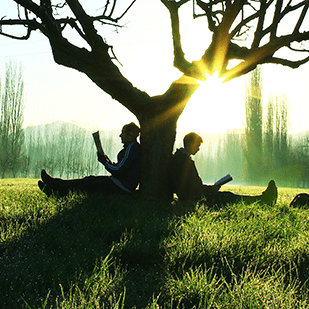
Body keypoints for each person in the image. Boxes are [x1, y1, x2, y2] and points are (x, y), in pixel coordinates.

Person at [171, 132, 278, 206]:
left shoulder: (182, 159)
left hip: (196, 196)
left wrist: (210, 188)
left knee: (228, 196)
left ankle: (261, 199)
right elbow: (191, 187)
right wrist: (210, 189)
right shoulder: (183, 162)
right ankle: (263, 200)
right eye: (197, 146)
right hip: (195, 199)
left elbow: (192, 186)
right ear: (189, 144)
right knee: (228, 197)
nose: (198, 149)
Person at [38, 122, 141, 197]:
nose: (120, 135)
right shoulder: (131, 148)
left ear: (130, 135)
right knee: (89, 180)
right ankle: (55, 184)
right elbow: (121, 168)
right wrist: (107, 161)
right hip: (120, 182)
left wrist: (104, 162)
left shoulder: (132, 148)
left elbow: (118, 170)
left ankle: (56, 192)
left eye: (123, 133)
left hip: (121, 185)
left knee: (88, 185)